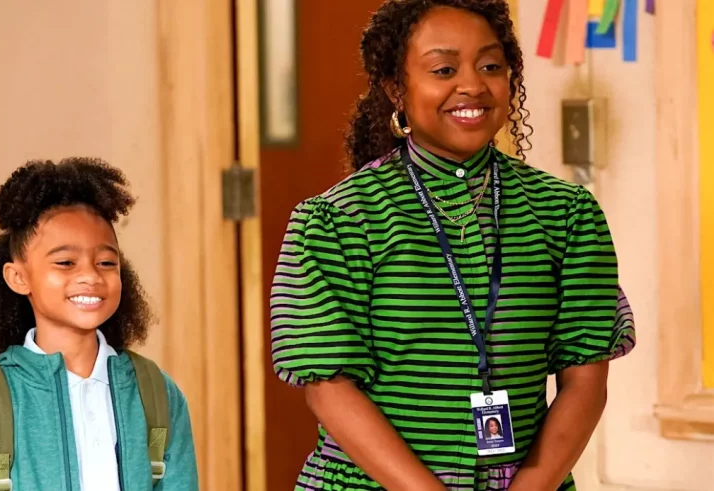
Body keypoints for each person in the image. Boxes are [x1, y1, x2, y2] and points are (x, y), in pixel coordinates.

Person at [269, 1, 636, 490]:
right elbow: (328, 387)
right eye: (444, 69)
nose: (472, 85)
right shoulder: (337, 221)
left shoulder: (567, 214)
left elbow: (585, 377)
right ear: (395, 88)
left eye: (491, 66)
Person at [0, 158, 198, 490]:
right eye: (66, 262)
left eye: (106, 262)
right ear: (18, 277)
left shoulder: (159, 394)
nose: (91, 276)